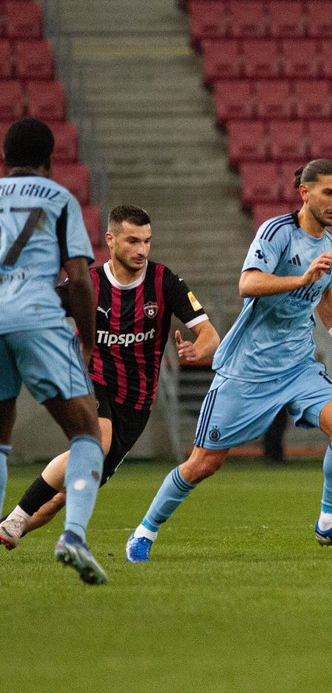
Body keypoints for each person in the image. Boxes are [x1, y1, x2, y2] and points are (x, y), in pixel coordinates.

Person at [125, 159, 332, 562]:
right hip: (248, 370)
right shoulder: (275, 233)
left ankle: (329, 522)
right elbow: (248, 283)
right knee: (203, 463)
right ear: (305, 192)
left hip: (298, 366)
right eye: (329, 192)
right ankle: (144, 532)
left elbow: (324, 291)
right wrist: (301, 279)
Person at [0, 204, 220, 549]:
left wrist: (199, 349)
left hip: (137, 401)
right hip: (88, 380)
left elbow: (209, 334)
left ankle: (9, 526)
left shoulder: (165, 282)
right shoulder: (86, 284)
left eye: (147, 241)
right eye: (133, 241)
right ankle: (16, 517)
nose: (142, 250)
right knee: (95, 443)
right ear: (111, 240)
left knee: (65, 496)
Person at [0, 117, 107, 583]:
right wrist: (86, 339)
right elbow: (80, 278)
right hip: (38, 318)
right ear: (48, 160)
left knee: (0, 439)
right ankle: (74, 535)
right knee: (87, 431)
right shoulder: (59, 198)